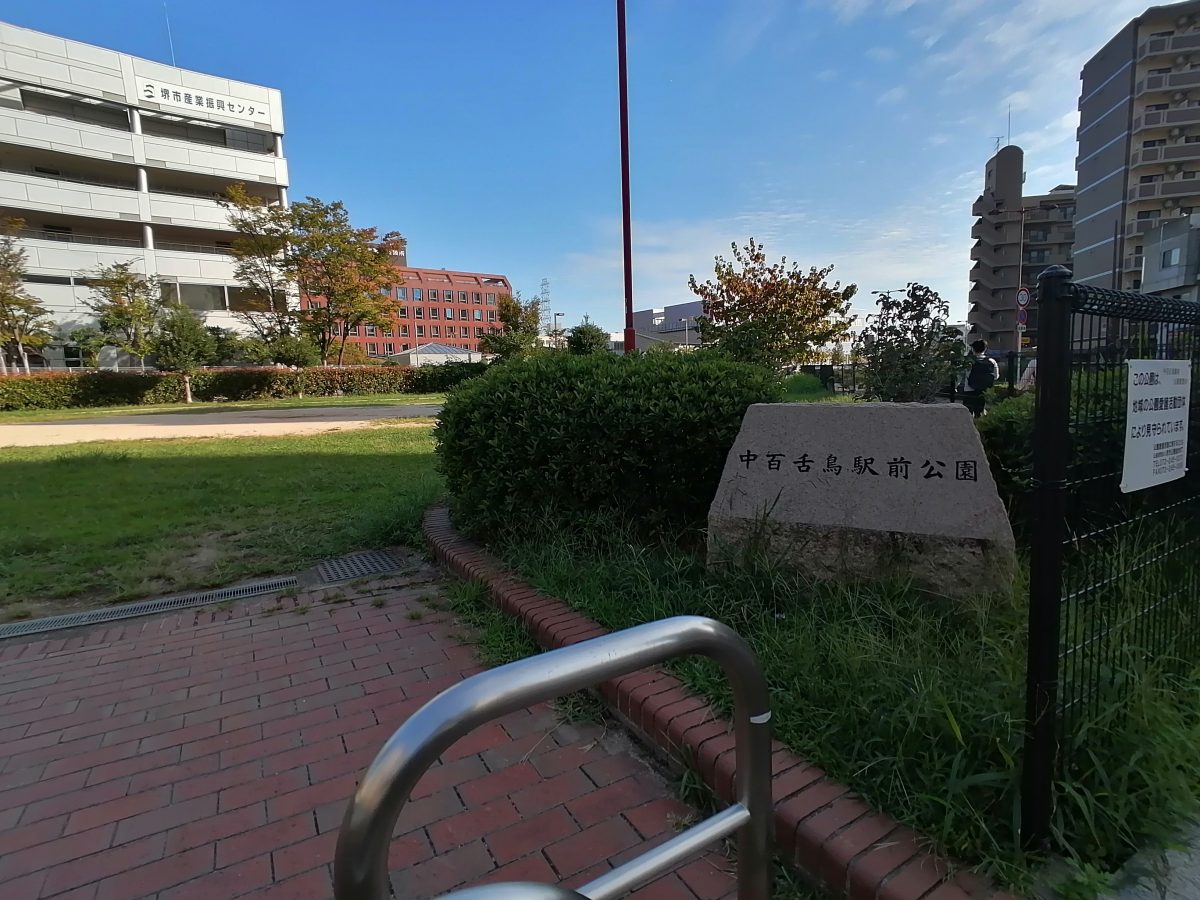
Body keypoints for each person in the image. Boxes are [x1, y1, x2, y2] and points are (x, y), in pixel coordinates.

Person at [960, 339, 999, 418]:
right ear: (985, 349)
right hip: (983, 391)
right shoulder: (991, 361)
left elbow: (961, 375)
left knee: (967, 414)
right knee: (980, 413)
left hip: (969, 390)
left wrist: (956, 386)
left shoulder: (969, 362)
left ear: (973, 349)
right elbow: (996, 376)